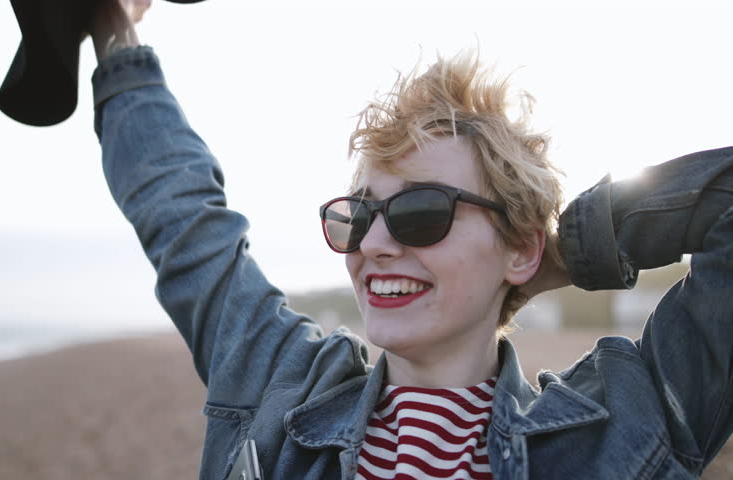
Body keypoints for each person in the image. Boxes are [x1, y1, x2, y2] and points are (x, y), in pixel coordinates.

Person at [87, 1, 733, 478]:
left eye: (421, 213)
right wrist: (113, 32)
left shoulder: (623, 428)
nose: (374, 245)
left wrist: (561, 255)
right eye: (360, 215)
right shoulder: (277, 384)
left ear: (522, 246)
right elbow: (183, 218)